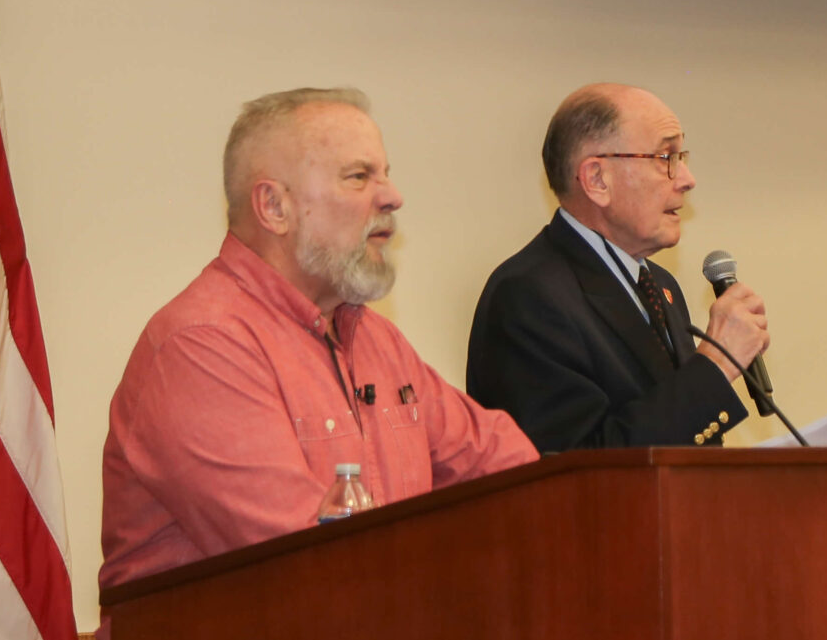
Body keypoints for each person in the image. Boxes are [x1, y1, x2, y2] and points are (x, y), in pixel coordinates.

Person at [99, 87, 535, 613]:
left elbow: (511, 472)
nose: (393, 196)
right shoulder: (200, 347)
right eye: (359, 176)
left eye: (385, 174)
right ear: (274, 207)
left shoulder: (374, 338)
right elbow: (305, 563)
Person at [466, 84, 770, 452]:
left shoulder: (660, 285)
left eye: (681, 157)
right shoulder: (527, 296)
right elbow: (578, 467)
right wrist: (716, 364)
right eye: (665, 157)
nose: (688, 180)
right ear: (597, 180)